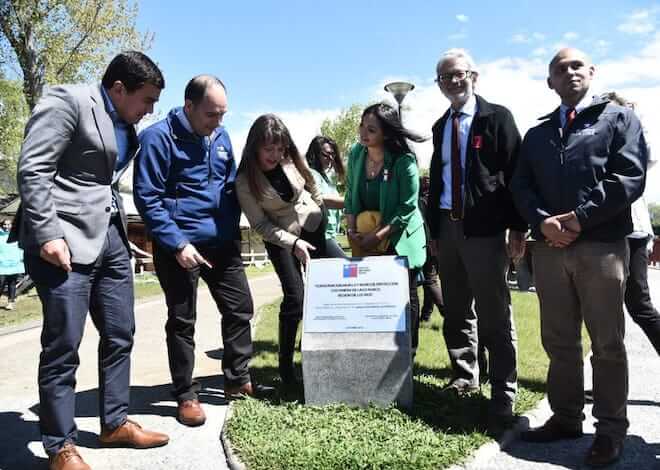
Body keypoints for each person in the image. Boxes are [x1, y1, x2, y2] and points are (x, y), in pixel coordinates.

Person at [11, 51, 169, 470]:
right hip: (62, 240)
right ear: (119, 89)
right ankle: (60, 446)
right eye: (147, 100)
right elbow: (33, 169)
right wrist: (47, 235)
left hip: (111, 236)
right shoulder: (69, 101)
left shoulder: (126, 124)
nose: (150, 109)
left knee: (121, 331)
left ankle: (114, 422)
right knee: (64, 344)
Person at [512, 48, 647, 467]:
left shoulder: (619, 119)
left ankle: (610, 430)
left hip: (602, 246)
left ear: (592, 72)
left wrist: (578, 219)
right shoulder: (537, 134)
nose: (568, 73)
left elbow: (629, 175)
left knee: (607, 342)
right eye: (559, 69)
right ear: (549, 81)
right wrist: (542, 221)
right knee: (558, 339)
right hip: (550, 251)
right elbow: (520, 185)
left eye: (576, 66)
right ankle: (566, 417)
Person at [134, 75, 272, 425]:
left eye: (223, 114)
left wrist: (230, 232)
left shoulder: (221, 136)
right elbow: (147, 197)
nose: (218, 122)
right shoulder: (157, 138)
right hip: (178, 245)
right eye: (212, 114)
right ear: (189, 106)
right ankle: (185, 394)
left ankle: (237, 380)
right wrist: (177, 242)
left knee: (240, 308)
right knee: (182, 321)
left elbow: (230, 186)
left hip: (221, 244)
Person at [427, 48, 526, 432]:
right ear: (439, 84)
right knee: (456, 308)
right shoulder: (441, 126)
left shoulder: (497, 118)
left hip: (485, 231)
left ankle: (504, 392)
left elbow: (516, 175)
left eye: (458, 74)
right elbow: (437, 181)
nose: (453, 81)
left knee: (494, 313)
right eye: (445, 77)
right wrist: (435, 232)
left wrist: (517, 226)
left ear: (474, 76)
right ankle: (465, 375)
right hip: (448, 230)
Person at [236, 114, 331, 387]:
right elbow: (261, 225)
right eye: (269, 149)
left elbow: (311, 182)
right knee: (296, 298)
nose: (276, 154)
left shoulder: (291, 158)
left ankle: (326, 353)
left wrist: (319, 206)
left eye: (280, 148)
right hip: (281, 238)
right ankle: (287, 368)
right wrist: (294, 243)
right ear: (255, 146)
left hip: (314, 227)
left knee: (339, 278)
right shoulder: (244, 181)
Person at [344, 102, 427, 350]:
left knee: (404, 294)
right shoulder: (357, 153)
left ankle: (407, 351)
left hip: (399, 235)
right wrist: (350, 229)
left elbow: (407, 207)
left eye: (371, 129)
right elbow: (350, 194)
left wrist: (378, 236)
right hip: (365, 232)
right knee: (374, 294)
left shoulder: (404, 161)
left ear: (387, 133)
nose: (363, 133)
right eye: (362, 126)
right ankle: (377, 347)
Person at [603, 91, 660, 356]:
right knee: (603, 308)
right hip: (599, 231)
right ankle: (610, 381)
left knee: (639, 303)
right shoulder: (596, 144)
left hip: (632, 231)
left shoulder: (632, 146)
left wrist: (634, 120)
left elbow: (650, 155)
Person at [305, 135, 347, 258]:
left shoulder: (327, 179)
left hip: (330, 236)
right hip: (320, 237)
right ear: (314, 154)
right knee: (346, 268)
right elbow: (322, 200)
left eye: (333, 154)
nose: (330, 158)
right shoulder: (310, 174)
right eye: (326, 154)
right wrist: (351, 201)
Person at [417, 176, 444, 322]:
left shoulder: (420, 202)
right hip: (438, 242)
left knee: (430, 280)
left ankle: (448, 312)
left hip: (428, 243)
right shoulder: (437, 200)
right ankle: (425, 315)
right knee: (431, 279)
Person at [0, 218, 23, 310]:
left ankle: (10, 302)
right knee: (1, 283)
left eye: (9, 224)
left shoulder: (16, 235)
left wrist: (21, 258)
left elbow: (20, 247)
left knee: (12, 284)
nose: (7, 226)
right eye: (5, 224)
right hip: (2, 264)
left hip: (14, 264)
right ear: (2, 225)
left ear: (11, 225)